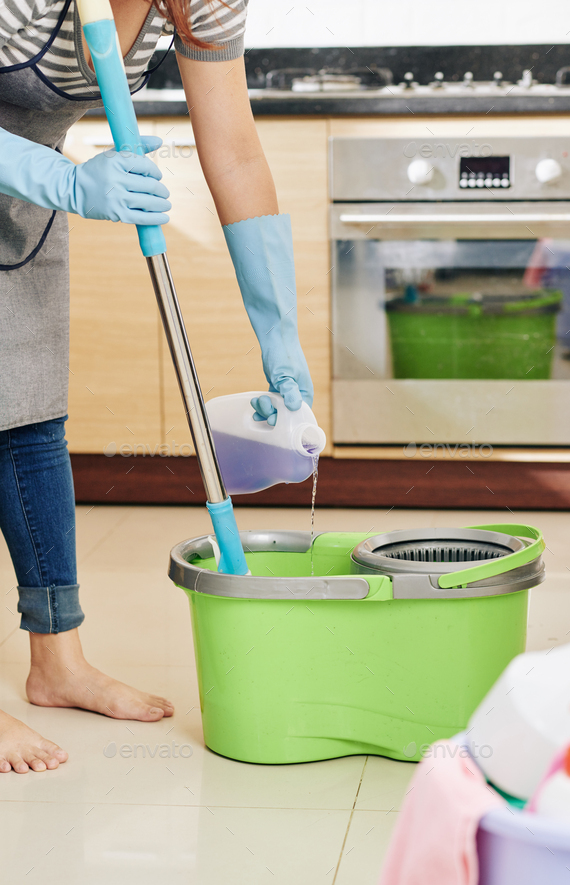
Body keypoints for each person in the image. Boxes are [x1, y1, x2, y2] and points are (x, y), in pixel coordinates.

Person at [0, 0, 313, 773]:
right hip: (46, 181)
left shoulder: (206, 1)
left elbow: (234, 149)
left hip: (24, 203)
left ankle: (57, 661)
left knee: (31, 418)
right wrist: (66, 182)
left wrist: (277, 328)